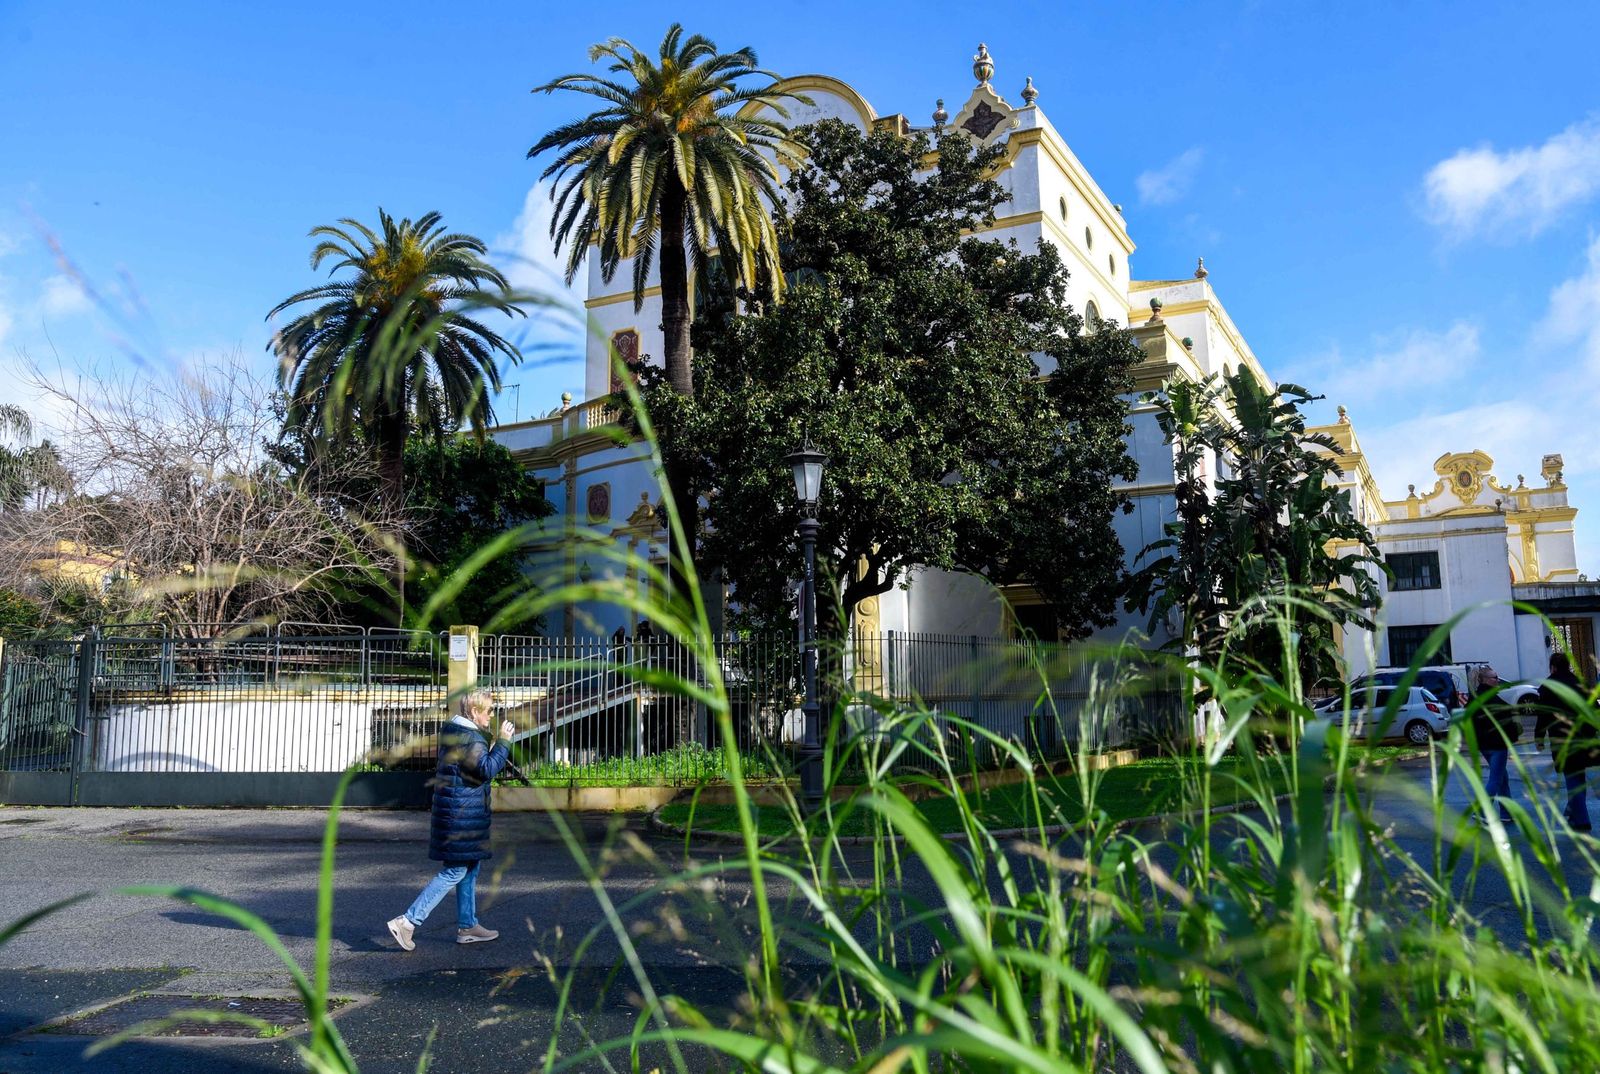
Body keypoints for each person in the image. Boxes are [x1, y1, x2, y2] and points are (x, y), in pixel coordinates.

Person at [386, 689, 513, 950]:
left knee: (469, 867)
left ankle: (468, 926)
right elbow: (486, 769)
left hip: (459, 813)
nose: (491, 715)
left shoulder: (458, 732)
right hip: (462, 816)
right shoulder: (470, 738)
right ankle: (407, 922)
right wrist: (503, 742)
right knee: (455, 870)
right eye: (489, 710)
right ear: (476, 712)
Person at [1534, 652, 1599, 832]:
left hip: (1561, 738)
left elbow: (1543, 715)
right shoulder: (1582, 684)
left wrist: (1539, 737)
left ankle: (1582, 820)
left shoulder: (1548, 687)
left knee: (1572, 776)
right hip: (1583, 737)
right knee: (1578, 775)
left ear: (1552, 667)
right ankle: (1572, 811)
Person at [1470, 665, 1519, 823]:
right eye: (1494, 678)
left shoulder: (1475, 697)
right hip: (1497, 745)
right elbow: (1507, 720)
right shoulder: (1493, 698)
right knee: (1496, 779)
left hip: (1484, 744)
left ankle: (1506, 813)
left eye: (1497, 677)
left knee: (1502, 777)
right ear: (1484, 680)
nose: (1497, 680)